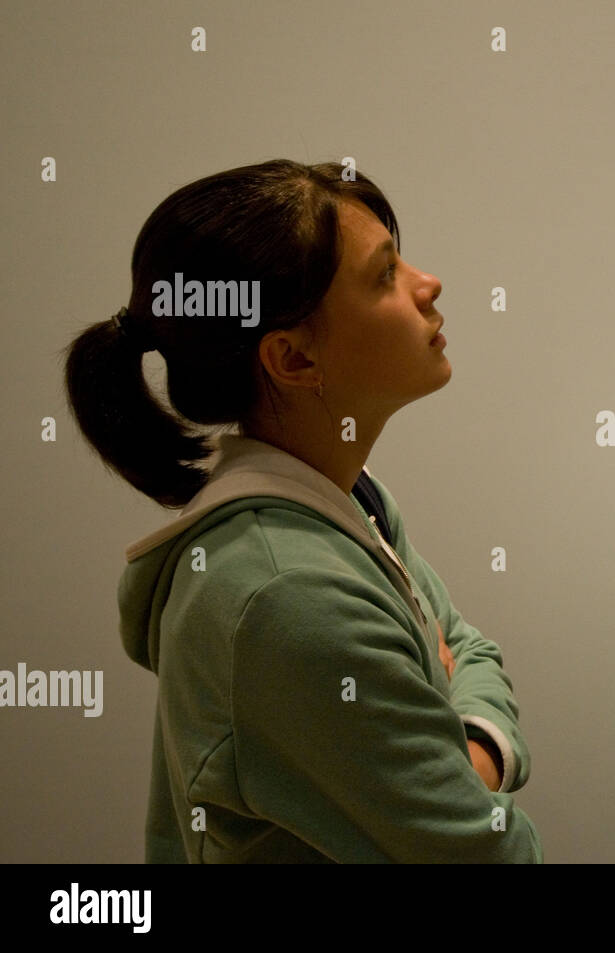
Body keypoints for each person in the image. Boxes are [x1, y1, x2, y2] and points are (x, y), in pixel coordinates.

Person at [63, 159, 542, 863]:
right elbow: (495, 853)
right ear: (291, 357)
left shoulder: (344, 497)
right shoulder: (287, 591)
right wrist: (466, 753)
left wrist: (453, 734)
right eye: (384, 274)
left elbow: (471, 650)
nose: (427, 284)